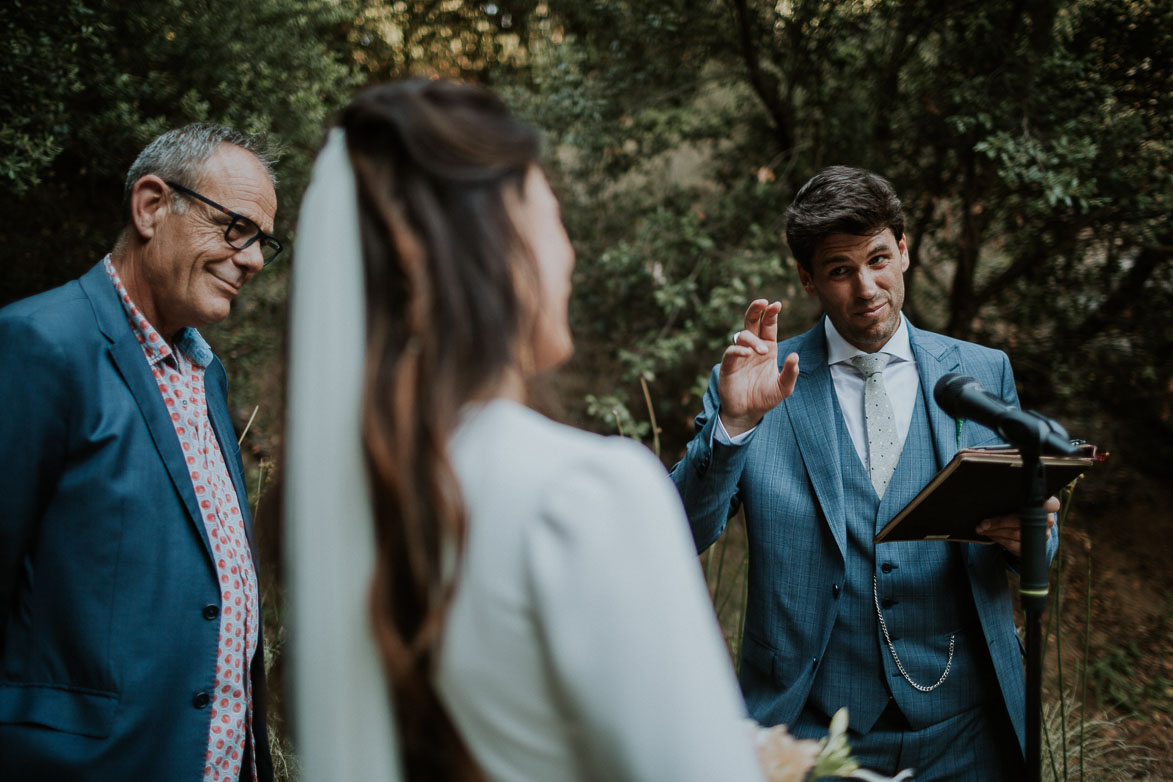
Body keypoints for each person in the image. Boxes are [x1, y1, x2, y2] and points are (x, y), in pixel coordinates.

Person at [283, 79, 770, 782]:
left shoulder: (351, 492)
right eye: (554, 217)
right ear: (493, 248)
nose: (570, 255)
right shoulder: (582, 490)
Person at [670, 166, 1059, 780]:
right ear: (808, 278)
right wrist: (735, 427)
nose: (866, 287)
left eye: (878, 258)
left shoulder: (983, 372)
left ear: (904, 251)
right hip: (809, 733)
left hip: (968, 730)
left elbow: (1029, 525)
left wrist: (1030, 539)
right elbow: (677, 532)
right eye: (840, 270)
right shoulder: (758, 382)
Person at [0, 124, 281, 781]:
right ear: (152, 206)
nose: (254, 260)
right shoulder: (38, 345)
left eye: (263, 241)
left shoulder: (206, 374)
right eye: (236, 227)